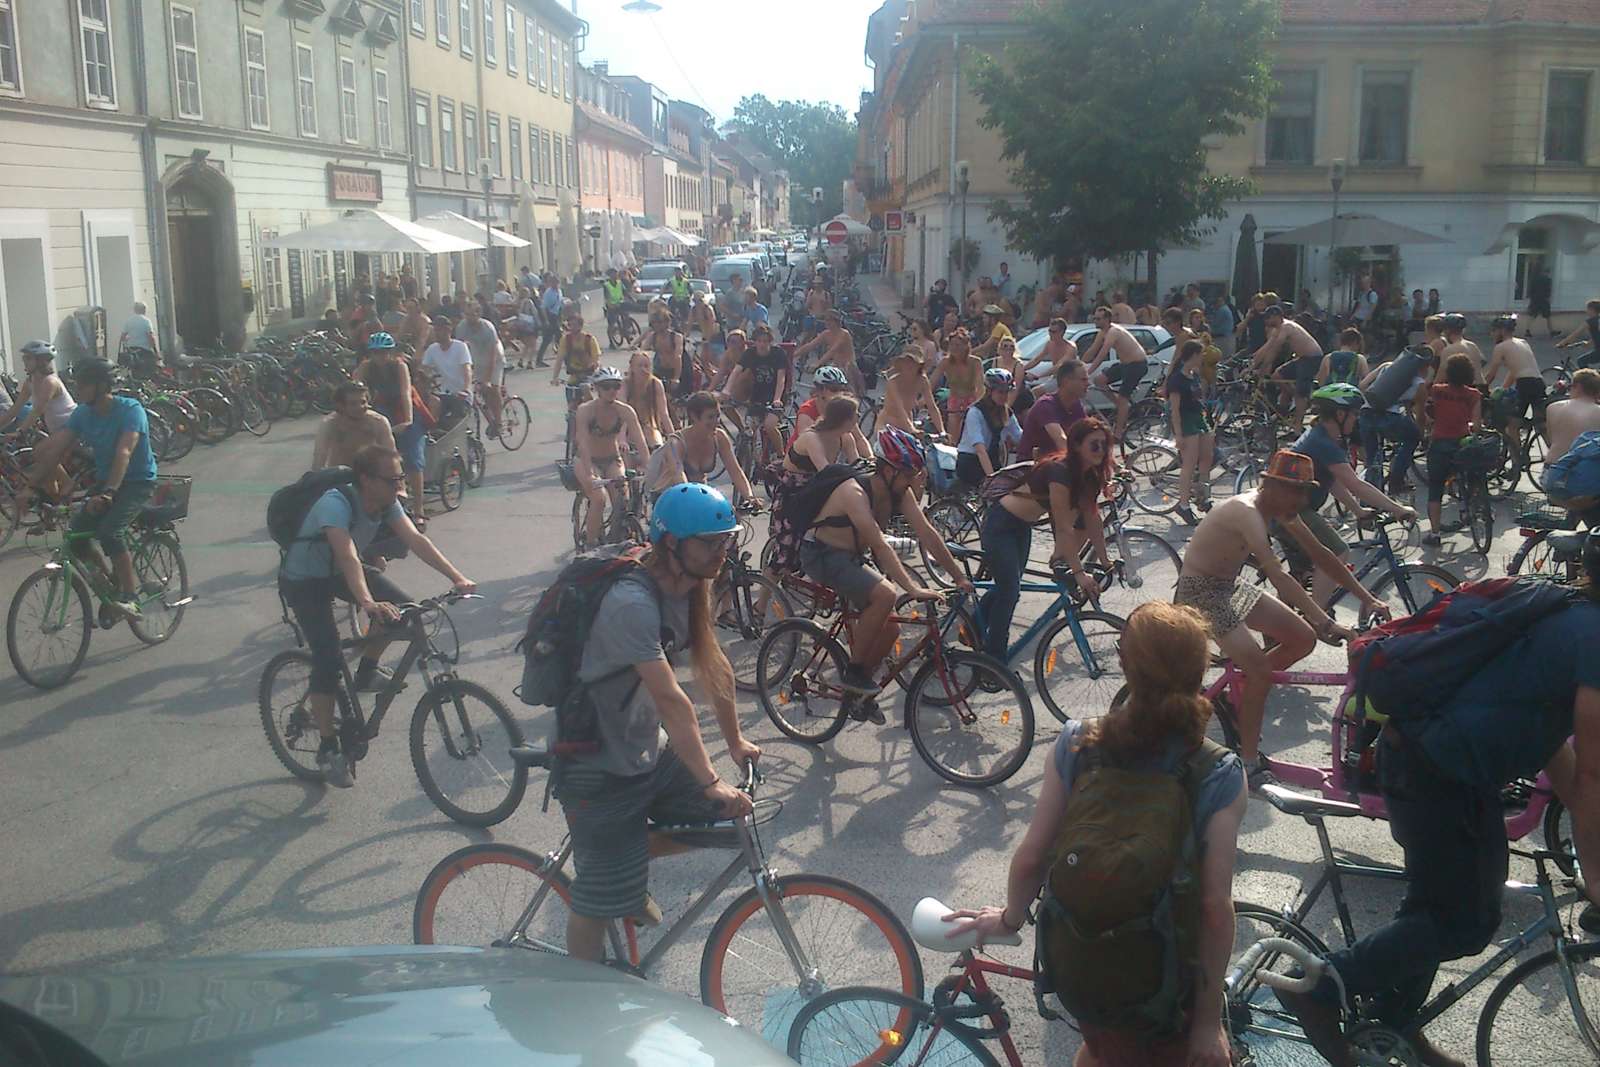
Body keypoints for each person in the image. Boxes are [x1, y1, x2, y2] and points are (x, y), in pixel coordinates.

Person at [1278, 531, 1600, 1067]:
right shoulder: (1593, 637)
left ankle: (1393, 1024)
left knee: (1440, 908)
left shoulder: (1563, 613)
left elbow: (1556, 751)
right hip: (1435, 771)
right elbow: (1591, 774)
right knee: (1463, 921)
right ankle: (1316, 987)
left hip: (1444, 768)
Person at [946, 601, 1245, 1067]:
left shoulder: (1077, 743)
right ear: (1200, 670)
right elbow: (1213, 909)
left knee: (1102, 1050)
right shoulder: (1216, 771)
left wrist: (1009, 918)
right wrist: (1207, 1025)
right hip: (1163, 978)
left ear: (1124, 664)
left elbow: (1032, 857)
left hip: (1078, 961)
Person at [554, 482, 762, 962]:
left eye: (726, 541)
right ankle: (580, 988)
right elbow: (671, 699)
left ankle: (625, 866)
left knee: (731, 819)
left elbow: (713, 665)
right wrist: (710, 779)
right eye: (709, 543)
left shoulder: (689, 588)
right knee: (596, 899)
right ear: (671, 543)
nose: (721, 553)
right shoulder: (632, 603)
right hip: (595, 760)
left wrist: (734, 742)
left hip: (644, 744)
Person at [1175, 450, 1378, 786]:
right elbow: (1279, 576)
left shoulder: (1279, 508)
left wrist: (1367, 598)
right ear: (1269, 485)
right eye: (1293, 490)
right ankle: (1249, 761)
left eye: (1303, 491)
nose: (1300, 499)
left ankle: (1234, 693)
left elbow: (1322, 555)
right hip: (1201, 593)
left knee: (1302, 639)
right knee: (1260, 670)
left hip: (1228, 586)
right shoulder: (1247, 511)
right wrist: (1325, 621)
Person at [277, 444, 475, 787]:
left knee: (405, 612)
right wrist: (367, 602)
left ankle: (366, 672)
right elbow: (348, 554)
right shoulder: (335, 503)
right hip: (305, 580)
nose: (400, 485)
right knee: (328, 657)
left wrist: (456, 577)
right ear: (366, 480)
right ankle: (327, 747)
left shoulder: (386, 502)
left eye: (401, 477)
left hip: (336, 572)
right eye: (393, 479)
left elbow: (416, 540)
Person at [797, 428, 970, 708]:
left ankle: (858, 695)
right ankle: (853, 673)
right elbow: (879, 544)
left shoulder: (899, 492)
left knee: (890, 631)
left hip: (851, 556)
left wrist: (959, 577)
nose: (914, 480)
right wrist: (912, 588)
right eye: (908, 473)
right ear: (888, 470)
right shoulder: (853, 492)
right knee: (886, 595)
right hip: (821, 555)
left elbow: (927, 533)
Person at [21, 358, 156, 619]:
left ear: (102, 386)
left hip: (136, 482)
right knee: (78, 537)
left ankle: (131, 599)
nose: (78, 389)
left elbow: (124, 452)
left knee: (110, 532)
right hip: (106, 480)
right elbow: (57, 449)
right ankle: (110, 584)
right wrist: (30, 486)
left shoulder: (131, 410)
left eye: (84, 384)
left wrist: (109, 493)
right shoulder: (83, 414)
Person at [978, 417, 1113, 661]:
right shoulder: (1059, 472)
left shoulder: (1089, 475)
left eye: (1105, 445)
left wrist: (1107, 562)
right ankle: (992, 660)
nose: (1101, 451)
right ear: (1077, 445)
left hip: (1021, 527)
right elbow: (1063, 528)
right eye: (1095, 445)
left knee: (1008, 584)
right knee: (1010, 590)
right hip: (1000, 525)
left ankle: (975, 626)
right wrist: (1079, 572)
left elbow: (1093, 521)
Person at [1282, 383, 1417, 605]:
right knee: (1337, 552)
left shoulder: (1321, 436)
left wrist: (1357, 510)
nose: (1357, 419)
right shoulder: (1323, 442)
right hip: (1292, 511)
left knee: (1302, 575)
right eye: (1354, 414)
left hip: (1288, 508)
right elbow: (1356, 485)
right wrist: (1399, 509)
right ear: (1340, 414)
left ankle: (1289, 621)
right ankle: (1317, 618)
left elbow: (1332, 480)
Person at [574, 365, 651, 549]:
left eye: (616, 386)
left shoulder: (625, 410)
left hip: (612, 459)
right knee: (599, 499)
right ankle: (591, 546)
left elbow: (640, 441)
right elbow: (583, 443)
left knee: (621, 501)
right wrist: (590, 474)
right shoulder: (585, 410)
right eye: (606, 386)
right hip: (587, 461)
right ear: (597, 388)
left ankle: (615, 538)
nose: (611, 391)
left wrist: (650, 467)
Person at [358, 333, 427, 524]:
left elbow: (406, 393)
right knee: (368, 456)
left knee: (412, 457)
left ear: (391, 352)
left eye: (384, 352)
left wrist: (407, 421)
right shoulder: (366, 366)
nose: (380, 357)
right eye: (376, 353)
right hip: (382, 411)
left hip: (403, 411)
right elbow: (355, 389)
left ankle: (419, 509)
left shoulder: (399, 366)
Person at [644, 391, 755, 502]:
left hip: (698, 496)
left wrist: (750, 497)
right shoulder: (676, 443)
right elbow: (679, 476)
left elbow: (736, 471)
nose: (716, 422)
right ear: (694, 417)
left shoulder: (719, 437)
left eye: (717, 416)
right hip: (670, 499)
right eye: (710, 417)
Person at [1422, 353, 1483, 546]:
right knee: (1473, 475)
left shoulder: (1437, 390)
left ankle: (1434, 533)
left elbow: (1428, 411)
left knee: (1435, 488)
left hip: (1440, 443)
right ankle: (1469, 506)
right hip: (1462, 444)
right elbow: (1477, 425)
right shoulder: (1474, 395)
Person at [1358, 343, 1430, 494]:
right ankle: (1396, 481)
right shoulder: (1420, 384)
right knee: (1411, 438)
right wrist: (1420, 434)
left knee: (1371, 460)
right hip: (1389, 418)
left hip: (1366, 413)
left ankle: (1369, 501)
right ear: (1424, 367)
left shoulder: (1386, 366)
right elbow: (1421, 416)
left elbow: (1363, 385)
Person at [721, 323, 790, 460]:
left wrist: (777, 399)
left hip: (776, 396)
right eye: (759, 341)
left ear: (770, 341)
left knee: (770, 426)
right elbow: (736, 371)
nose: (762, 344)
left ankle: (781, 456)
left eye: (765, 341)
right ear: (755, 342)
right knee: (750, 429)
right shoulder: (750, 354)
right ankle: (750, 459)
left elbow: (781, 379)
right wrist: (727, 390)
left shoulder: (778, 354)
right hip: (757, 396)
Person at [1081, 306, 1151, 441]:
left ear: (1107, 319)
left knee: (1124, 399)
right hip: (1125, 364)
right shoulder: (1102, 332)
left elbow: (1102, 354)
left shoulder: (1114, 331)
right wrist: (1079, 365)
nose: (1095, 321)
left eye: (1098, 319)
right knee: (1099, 381)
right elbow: (1092, 350)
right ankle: (1121, 406)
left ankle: (1118, 434)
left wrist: (1088, 372)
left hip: (1137, 365)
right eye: (1094, 318)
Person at [1166, 339, 1216, 525]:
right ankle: (1183, 504)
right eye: (1200, 354)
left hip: (1197, 418)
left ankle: (1203, 496)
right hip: (1186, 420)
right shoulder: (1177, 380)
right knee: (1189, 463)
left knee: (1206, 458)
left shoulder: (1193, 375)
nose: (1203, 357)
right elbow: (1175, 409)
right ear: (1193, 355)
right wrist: (1178, 434)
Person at [1250, 304, 1325, 423]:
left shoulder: (1287, 326)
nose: (1266, 321)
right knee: (1277, 376)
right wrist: (1252, 361)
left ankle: (1297, 426)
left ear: (1277, 316)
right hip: (1301, 358)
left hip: (1312, 359)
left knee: (1301, 393)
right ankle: (1292, 403)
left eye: (1268, 317)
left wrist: (1262, 368)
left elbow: (1274, 350)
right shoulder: (1278, 329)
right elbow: (1266, 347)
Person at [1482, 313, 1544, 448]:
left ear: (1502, 331)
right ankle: (1553, 459)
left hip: (1524, 384)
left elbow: (1492, 374)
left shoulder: (1501, 347)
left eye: (1493, 331)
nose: (1491, 334)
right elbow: (1514, 371)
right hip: (1539, 383)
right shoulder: (1523, 342)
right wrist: (1504, 388)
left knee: (1512, 425)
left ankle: (1516, 462)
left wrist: (1481, 388)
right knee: (1541, 424)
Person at [957, 367, 1023, 486]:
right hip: (971, 462)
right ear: (989, 391)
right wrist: (992, 479)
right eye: (1000, 392)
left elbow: (1020, 438)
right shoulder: (975, 412)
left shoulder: (1007, 413)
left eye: (1006, 392)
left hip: (993, 459)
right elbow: (980, 449)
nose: (1004, 396)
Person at [312, 381, 398, 470]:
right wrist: (316, 481)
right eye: (353, 404)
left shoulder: (378, 421)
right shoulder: (329, 424)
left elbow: (391, 454)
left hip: (371, 472)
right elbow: (319, 457)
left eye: (363, 402)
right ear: (340, 406)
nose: (360, 407)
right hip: (341, 474)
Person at [1018, 359, 1090, 460]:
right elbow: (1061, 440)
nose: (1088, 383)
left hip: (1056, 464)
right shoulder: (1046, 405)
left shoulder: (1076, 405)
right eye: (1083, 380)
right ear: (1066, 381)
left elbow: (1088, 436)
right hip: (1031, 467)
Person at [3, 340, 77, 439]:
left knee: (39, 452)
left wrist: (20, 432)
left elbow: (37, 410)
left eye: (28, 358)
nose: (24, 361)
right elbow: (14, 410)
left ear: (41, 361)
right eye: (24, 358)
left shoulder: (50, 382)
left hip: (71, 427)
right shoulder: (30, 382)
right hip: (55, 431)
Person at [454, 302, 504, 433]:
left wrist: (487, 380)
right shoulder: (461, 327)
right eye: (466, 315)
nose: (469, 318)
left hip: (495, 356)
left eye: (472, 315)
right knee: (479, 390)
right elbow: (459, 350)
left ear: (479, 314)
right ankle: (490, 418)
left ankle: (498, 422)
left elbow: (492, 356)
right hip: (477, 357)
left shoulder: (488, 327)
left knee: (493, 388)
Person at [793, 310, 862, 396]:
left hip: (847, 367)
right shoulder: (826, 334)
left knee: (846, 395)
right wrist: (792, 355)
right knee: (819, 390)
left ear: (836, 321)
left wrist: (818, 363)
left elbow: (832, 350)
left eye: (829, 320)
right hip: (835, 366)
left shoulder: (844, 334)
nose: (826, 322)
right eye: (825, 320)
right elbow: (810, 345)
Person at [420, 314, 474, 426]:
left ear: (448, 330)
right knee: (431, 407)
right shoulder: (432, 349)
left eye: (438, 330)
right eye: (435, 330)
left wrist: (466, 389)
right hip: (442, 393)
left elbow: (467, 370)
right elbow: (423, 370)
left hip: (459, 394)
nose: (436, 333)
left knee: (455, 421)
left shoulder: (460, 347)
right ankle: (431, 433)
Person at [1544, 368, 1600, 470]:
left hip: (1552, 469)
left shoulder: (1552, 407)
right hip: (1584, 472)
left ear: (1577, 387)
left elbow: (1551, 439)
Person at [880, 348, 944, 437]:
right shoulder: (893, 381)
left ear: (919, 366)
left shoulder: (922, 380)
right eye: (906, 362)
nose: (908, 366)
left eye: (913, 363)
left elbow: (932, 406)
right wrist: (912, 429)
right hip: (888, 424)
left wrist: (942, 431)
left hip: (907, 423)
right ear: (901, 364)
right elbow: (900, 408)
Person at [930, 327, 982, 430]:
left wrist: (977, 404)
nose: (954, 348)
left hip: (971, 400)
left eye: (958, 345)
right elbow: (931, 382)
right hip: (954, 400)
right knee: (953, 430)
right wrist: (924, 399)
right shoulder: (945, 362)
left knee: (971, 428)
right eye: (952, 345)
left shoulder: (975, 362)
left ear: (965, 346)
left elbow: (980, 386)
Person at [623, 349, 674, 452]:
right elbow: (623, 415)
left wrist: (673, 437)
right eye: (639, 366)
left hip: (649, 426)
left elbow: (664, 414)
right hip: (628, 428)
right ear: (632, 368)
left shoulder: (656, 384)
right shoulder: (625, 385)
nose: (643, 369)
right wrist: (622, 440)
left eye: (646, 366)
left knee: (657, 449)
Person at [641, 308, 691, 399]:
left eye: (659, 322)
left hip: (678, 370)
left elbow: (678, 357)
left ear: (667, 322)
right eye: (654, 322)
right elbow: (642, 352)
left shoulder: (676, 337)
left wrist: (676, 378)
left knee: (680, 398)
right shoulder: (653, 336)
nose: (656, 325)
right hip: (661, 370)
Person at [551, 309, 602, 389]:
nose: (572, 328)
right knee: (571, 395)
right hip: (574, 376)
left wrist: (596, 375)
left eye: (575, 325)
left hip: (589, 376)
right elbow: (559, 359)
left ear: (581, 326)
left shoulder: (590, 339)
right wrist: (555, 377)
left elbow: (597, 361)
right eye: (570, 325)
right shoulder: (565, 340)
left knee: (586, 390)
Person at [1438, 313, 1483, 382]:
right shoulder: (1472, 346)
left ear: (1447, 330)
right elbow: (1479, 374)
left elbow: (1440, 378)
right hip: (1478, 389)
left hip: (1459, 389)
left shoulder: (1449, 350)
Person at [1554, 298, 1600, 364]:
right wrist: (1589, 343)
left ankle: (1587, 374)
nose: (1586, 311)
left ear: (1592, 310)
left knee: (1581, 361)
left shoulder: (1590, 322)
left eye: (1587, 309)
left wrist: (1562, 343)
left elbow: (1576, 334)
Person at [118, 302, 160, 370]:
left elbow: (122, 338)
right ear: (144, 310)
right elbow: (151, 337)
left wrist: (128, 339)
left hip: (131, 351)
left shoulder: (128, 321)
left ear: (135, 310)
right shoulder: (146, 321)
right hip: (144, 351)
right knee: (153, 369)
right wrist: (156, 352)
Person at [536, 275, 564, 367]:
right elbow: (544, 307)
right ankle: (566, 358)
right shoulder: (548, 293)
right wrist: (546, 320)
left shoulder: (559, 291)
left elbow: (560, 304)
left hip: (556, 316)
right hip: (550, 316)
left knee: (549, 339)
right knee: (558, 337)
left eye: (557, 283)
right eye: (554, 282)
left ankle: (539, 360)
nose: (556, 284)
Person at [601, 269, 631, 351]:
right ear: (610, 275)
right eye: (613, 274)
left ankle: (627, 331)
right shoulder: (606, 285)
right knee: (611, 324)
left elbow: (625, 292)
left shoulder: (620, 283)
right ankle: (611, 342)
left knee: (626, 316)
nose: (615, 276)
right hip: (612, 306)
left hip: (620, 303)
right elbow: (606, 297)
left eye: (616, 274)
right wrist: (609, 304)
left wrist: (631, 298)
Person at [1526, 262, 1556, 338]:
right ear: (1547, 272)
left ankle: (1527, 330)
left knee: (1533, 315)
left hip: (1535, 299)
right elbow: (1548, 290)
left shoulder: (1535, 278)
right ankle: (1551, 331)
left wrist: (1530, 296)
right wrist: (1548, 297)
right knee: (1548, 316)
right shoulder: (1548, 280)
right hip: (1544, 300)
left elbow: (1531, 289)